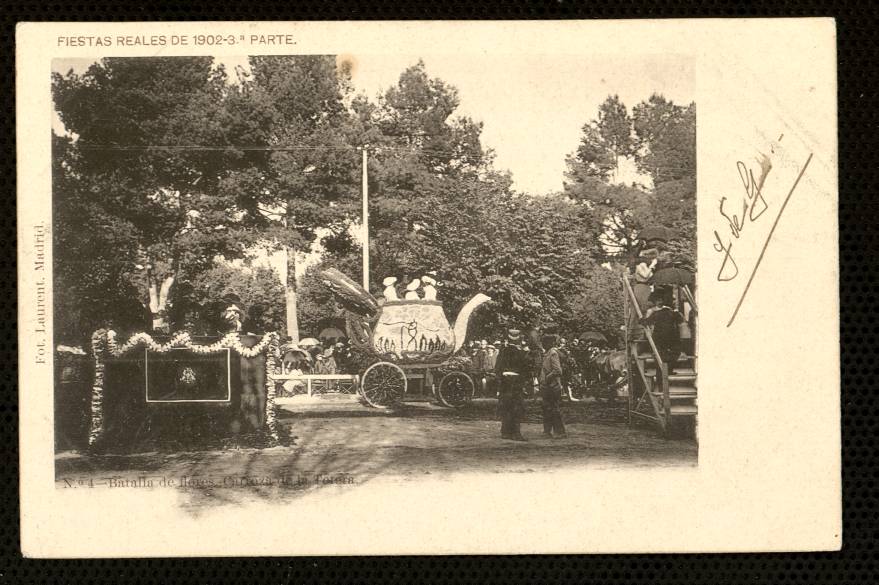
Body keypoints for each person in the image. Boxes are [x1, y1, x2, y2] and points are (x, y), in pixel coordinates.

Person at [495, 329, 529, 441]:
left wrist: (501, 379)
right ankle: (516, 433)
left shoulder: (502, 351)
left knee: (506, 406)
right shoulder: (520, 353)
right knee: (516, 407)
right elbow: (525, 368)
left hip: (505, 382)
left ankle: (505, 432)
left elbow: (497, 368)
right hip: (516, 382)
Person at [641, 288, 684, 375]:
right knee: (659, 354)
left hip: (669, 336)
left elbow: (679, 320)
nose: (659, 302)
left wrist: (676, 313)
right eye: (657, 300)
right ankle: (660, 372)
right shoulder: (652, 311)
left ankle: (669, 369)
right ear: (654, 301)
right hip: (658, 336)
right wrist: (643, 320)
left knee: (672, 352)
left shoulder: (668, 310)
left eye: (661, 300)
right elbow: (647, 322)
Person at [539, 334, 567, 438]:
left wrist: (547, 378)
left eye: (544, 343)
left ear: (548, 344)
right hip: (547, 386)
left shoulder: (553, 353)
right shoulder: (547, 353)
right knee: (547, 408)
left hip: (552, 386)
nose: (542, 344)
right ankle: (547, 431)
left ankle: (559, 432)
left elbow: (558, 370)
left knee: (554, 409)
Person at [629, 248, 658, 338]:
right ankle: (632, 334)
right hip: (640, 287)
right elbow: (645, 276)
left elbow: (650, 277)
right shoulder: (640, 265)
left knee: (647, 310)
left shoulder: (646, 266)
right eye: (651, 258)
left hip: (647, 288)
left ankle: (645, 335)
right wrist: (652, 265)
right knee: (639, 311)